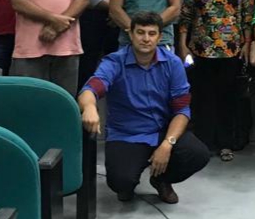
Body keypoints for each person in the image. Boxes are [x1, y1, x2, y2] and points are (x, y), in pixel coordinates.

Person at [79, 11, 210, 204]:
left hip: (162, 130)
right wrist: (89, 107)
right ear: (130, 34)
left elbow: (182, 110)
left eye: (151, 33)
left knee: (198, 154)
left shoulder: (173, 64)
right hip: (127, 133)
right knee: (121, 182)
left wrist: (167, 144)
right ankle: (130, 180)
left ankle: (161, 180)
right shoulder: (114, 62)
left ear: (159, 37)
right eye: (140, 32)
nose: (146, 39)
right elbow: (90, 88)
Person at [178, 0, 254, 161]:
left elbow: (246, 17)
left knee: (228, 98)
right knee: (203, 97)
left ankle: (225, 144)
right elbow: (186, 16)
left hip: (231, 51)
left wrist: (247, 44)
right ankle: (204, 143)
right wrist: (182, 45)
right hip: (201, 50)